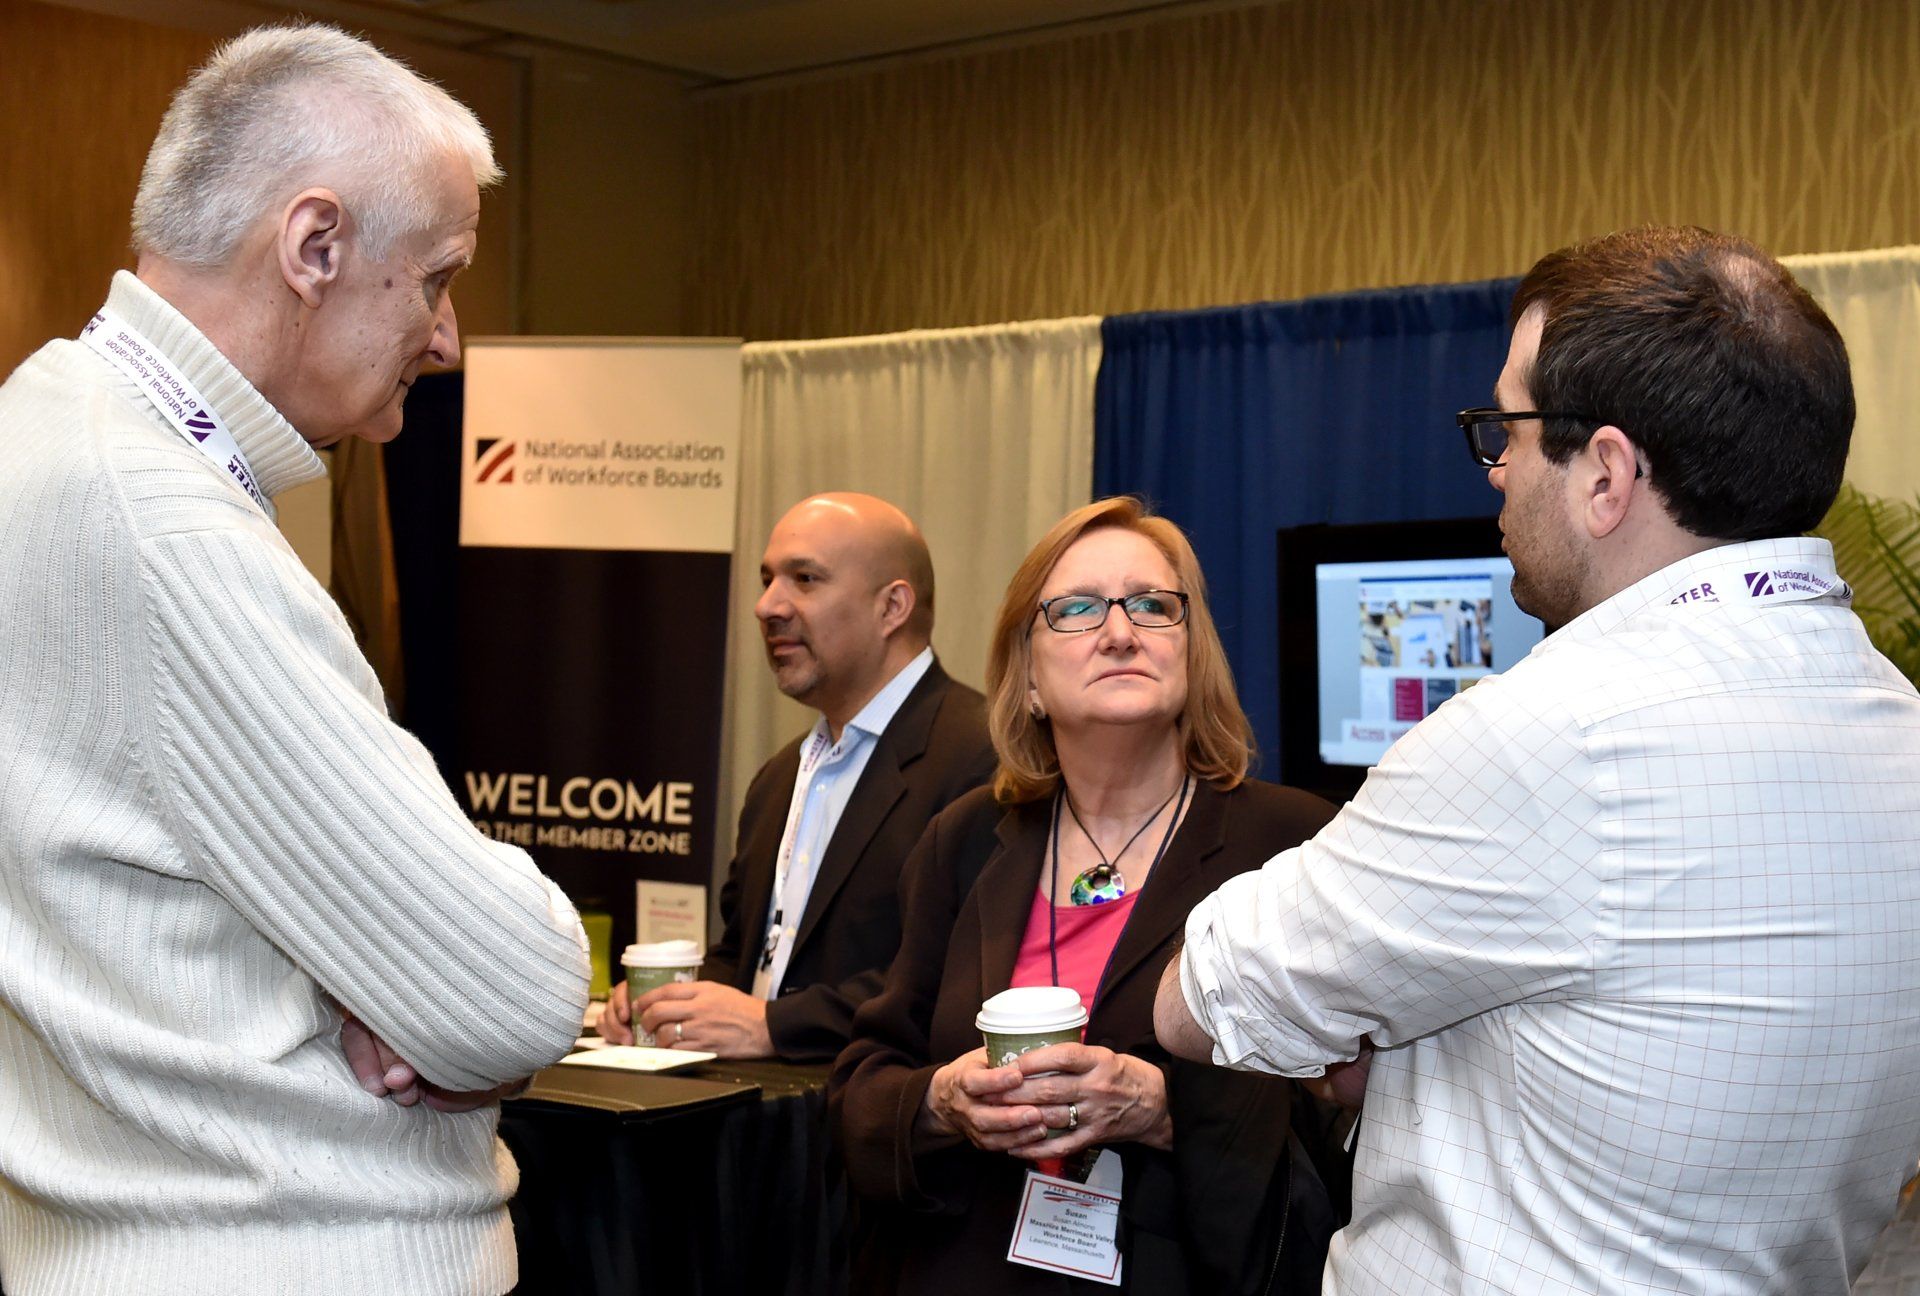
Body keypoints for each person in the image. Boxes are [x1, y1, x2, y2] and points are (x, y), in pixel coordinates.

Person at [1156, 226, 1920, 1294]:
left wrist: (1399, 1036)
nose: (1497, 469)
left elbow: (1202, 998)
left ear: (1607, 473)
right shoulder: (1902, 727)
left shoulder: (1546, 738)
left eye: (1504, 429)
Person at [0, 25, 589, 1295]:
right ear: (314, 247)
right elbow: (519, 989)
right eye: (436, 277)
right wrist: (411, 988)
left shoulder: (44, 439)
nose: (446, 340)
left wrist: (379, 974)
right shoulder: (160, 523)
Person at [832, 497, 1342, 1294]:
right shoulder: (963, 840)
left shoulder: (1295, 846)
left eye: (1151, 604)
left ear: (1192, 651)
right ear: (1028, 677)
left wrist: (1167, 1109)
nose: (1119, 631)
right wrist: (943, 1100)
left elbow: (1350, 1114)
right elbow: (863, 1082)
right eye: (1075, 609)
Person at [599, 492, 995, 1060]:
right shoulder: (779, 777)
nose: (767, 606)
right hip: (764, 1129)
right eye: (767, 580)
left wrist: (775, 1026)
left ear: (892, 608)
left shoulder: (987, 758)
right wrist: (668, 1001)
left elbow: (963, 973)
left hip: (878, 1133)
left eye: (804, 579)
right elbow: (749, 959)